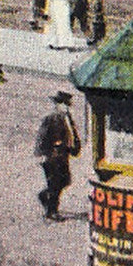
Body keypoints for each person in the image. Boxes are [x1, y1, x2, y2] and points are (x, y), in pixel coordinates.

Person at [34, 91, 82, 220]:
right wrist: (42, 154)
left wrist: (75, 149)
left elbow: (73, 136)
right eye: (63, 104)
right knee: (55, 183)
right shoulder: (51, 118)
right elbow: (42, 137)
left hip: (63, 156)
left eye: (67, 104)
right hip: (52, 156)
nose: (66, 107)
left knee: (65, 181)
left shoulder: (68, 119)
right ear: (57, 105)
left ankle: (45, 196)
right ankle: (51, 212)